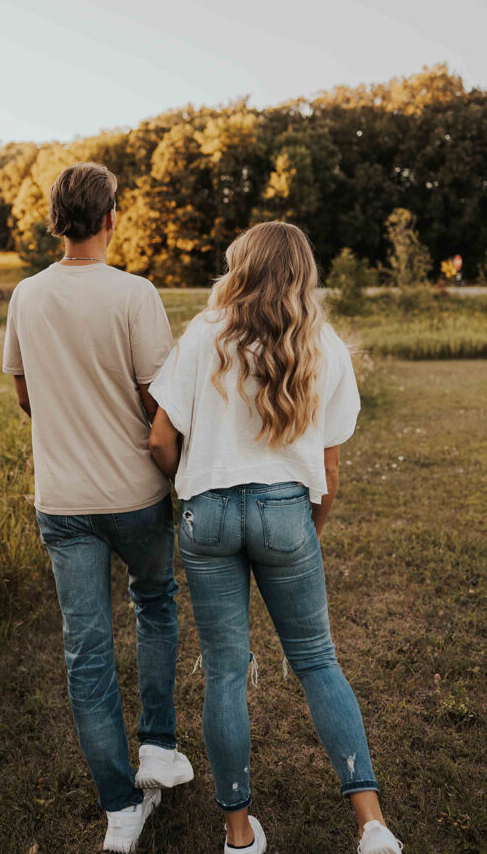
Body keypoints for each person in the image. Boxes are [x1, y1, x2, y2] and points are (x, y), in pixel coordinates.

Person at [148, 222, 403, 854]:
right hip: (286, 511)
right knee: (317, 660)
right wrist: (307, 530)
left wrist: (190, 484)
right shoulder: (324, 344)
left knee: (226, 673)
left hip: (206, 512)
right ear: (302, 274)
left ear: (242, 266)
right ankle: (372, 825)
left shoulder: (205, 333)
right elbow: (330, 467)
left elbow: (160, 438)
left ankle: (239, 834)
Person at [2, 162, 192, 854]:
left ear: (57, 218)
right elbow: (157, 404)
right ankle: (158, 747)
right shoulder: (135, 294)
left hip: (62, 500)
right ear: (112, 215)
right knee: (154, 604)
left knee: (85, 650)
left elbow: (25, 395)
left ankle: (119, 811)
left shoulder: (26, 295)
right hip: (135, 494)